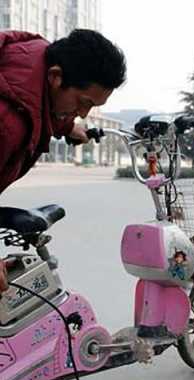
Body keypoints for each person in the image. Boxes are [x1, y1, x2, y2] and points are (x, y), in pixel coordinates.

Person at [0, 29, 127, 293]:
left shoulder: (37, 59)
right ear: (56, 77)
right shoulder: (7, 122)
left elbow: (38, 103)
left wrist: (68, 127)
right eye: (84, 103)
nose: (83, 113)